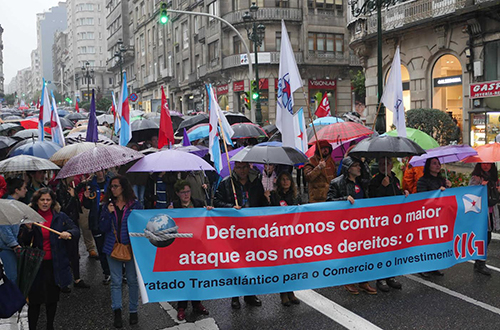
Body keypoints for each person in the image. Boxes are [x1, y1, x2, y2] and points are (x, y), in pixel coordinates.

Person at [18, 188, 79, 330]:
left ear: (52, 201)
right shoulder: (30, 217)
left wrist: (67, 233)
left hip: (54, 263)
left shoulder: (60, 216)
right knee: (35, 300)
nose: (45, 202)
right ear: (36, 201)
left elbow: (75, 230)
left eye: (48, 200)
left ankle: (50, 326)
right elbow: (24, 242)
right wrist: (28, 229)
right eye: (42, 200)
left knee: (52, 298)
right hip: (36, 264)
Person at [214, 161, 268, 309]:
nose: (242, 170)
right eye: (239, 167)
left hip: (253, 230)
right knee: (236, 263)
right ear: (234, 168)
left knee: (251, 263)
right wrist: (231, 208)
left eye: (245, 167)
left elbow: (261, 203)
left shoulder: (256, 182)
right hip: (235, 230)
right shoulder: (226, 183)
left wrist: (269, 199)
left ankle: (250, 294)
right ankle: (235, 296)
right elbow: (216, 201)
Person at [327, 156, 377, 295]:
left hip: (362, 222)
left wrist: (363, 161)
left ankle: (364, 281)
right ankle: (348, 279)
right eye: (356, 166)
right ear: (348, 169)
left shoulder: (362, 181)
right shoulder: (336, 183)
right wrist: (344, 200)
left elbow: (368, 178)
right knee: (349, 253)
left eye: (359, 166)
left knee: (364, 251)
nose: (359, 168)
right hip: (347, 224)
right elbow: (329, 201)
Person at [100, 175, 142, 328]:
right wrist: (108, 213)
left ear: (123, 187)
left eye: (115, 186)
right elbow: (102, 228)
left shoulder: (135, 205)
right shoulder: (107, 205)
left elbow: (141, 225)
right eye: (111, 186)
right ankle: (117, 311)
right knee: (116, 282)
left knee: (132, 280)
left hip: (131, 246)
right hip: (112, 247)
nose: (112, 189)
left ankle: (133, 311)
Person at [168, 180, 211, 321]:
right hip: (180, 247)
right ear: (177, 194)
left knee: (197, 275)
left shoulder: (198, 203)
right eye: (182, 192)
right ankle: (181, 307)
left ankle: (197, 302)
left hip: (196, 246)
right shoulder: (173, 206)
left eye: (188, 191)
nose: (186, 195)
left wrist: (209, 211)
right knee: (183, 276)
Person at [368, 157, 408, 292]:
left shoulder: (395, 179)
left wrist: (404, 193)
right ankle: (381, 278)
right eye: (380, 164)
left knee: (393, 248)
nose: (383, 166)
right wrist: (382, 187)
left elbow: (397, 194)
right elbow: (372, 199)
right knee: (382, 249)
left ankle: (391, 276)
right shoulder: (375, 181)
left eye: (386, 163)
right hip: (382, 220)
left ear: (391, 165)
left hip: (394, 220)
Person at [268, 172, 301, 306]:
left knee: (292, 264)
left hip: (293, 235)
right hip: (280, 235)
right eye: (283, 179)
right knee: (282, 265)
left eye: (288, 179)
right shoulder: (275, 195)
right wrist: (268, 200)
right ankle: (283, 294)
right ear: (279, 182)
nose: (286, 182)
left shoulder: (296, 196)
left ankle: (291, 291)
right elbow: (270, 214)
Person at [416, 157, 451, 278]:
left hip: (440, 215)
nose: (437, 166)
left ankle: (434, 265)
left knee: (437, 241)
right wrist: (437, 191)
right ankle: (423, 266)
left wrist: (448, 187)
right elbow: (422, 197)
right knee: (426, 241)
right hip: (427, 215)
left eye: (438, 163)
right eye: (434, 163)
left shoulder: (442, 180)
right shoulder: (423, 180)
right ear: (428, 166)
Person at [55, 177, 90, 291]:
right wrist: (73, 197)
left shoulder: (70, 187)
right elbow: (64, 209)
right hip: (65, 224)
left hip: (73, 221)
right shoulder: (60, 190)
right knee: (66, 252)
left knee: (74, 252)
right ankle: (64, 282)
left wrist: (83, 184)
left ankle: (77, 278)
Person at [469, 162, 500, 276]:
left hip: (491, 211)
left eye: (488, 163)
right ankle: (480, 263)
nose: (486, 165)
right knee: (483, 236)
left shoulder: (493, 178)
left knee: (488, 236)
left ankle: (480, 262)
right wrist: (480, 186)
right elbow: (470, 192)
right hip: (481, 211)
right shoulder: (476, 177)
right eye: (483, 163)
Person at [82, 170, 112, 284]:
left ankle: (120, 272)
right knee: (101, 248)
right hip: (96, 220)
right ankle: (107, 272)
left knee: (112, 245)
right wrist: (86, 197)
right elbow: (87, 205)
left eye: (102, 170)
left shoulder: (111, 183)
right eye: (98, 171)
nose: (100, 173)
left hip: (109, 219)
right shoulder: (90, 185)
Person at [0, 177, 27, 282]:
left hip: (9, 247)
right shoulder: (7, 205)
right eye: (24, 188)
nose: (26, 190)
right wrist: (14, 245)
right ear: (17, 190)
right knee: (11, 277)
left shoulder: (14, 204)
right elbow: (4, 228)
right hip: (6, 248)